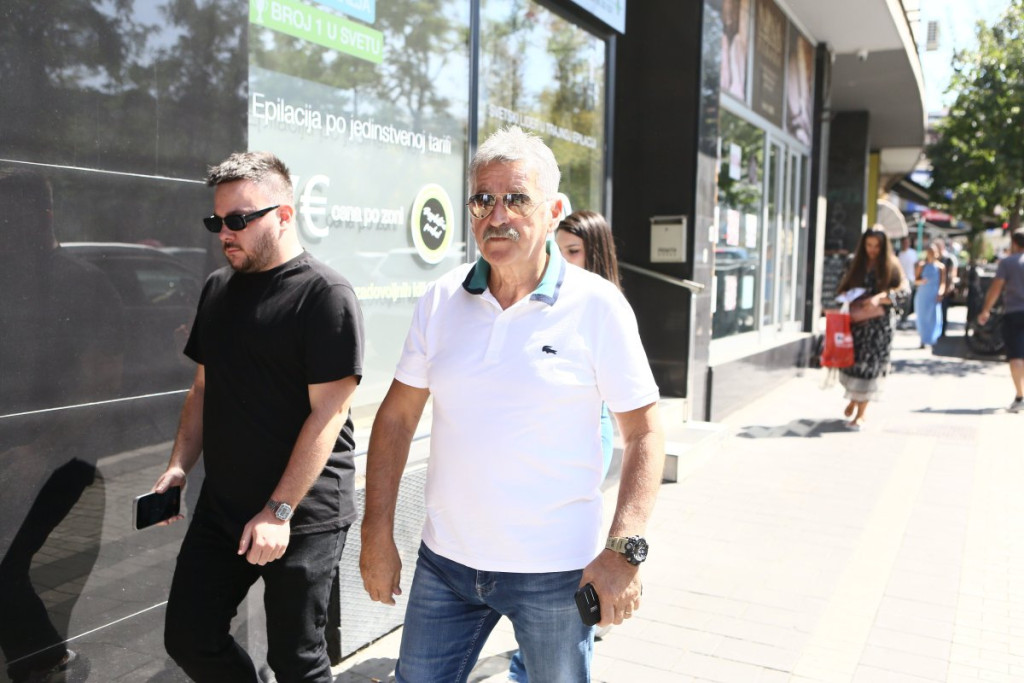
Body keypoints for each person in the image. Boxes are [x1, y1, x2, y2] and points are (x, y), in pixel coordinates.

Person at [359, 126, 665, 682]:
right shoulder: (441, 299)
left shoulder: (598, 307)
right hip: (446, 564)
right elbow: (397, 419)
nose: (497, 216)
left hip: (557, 572)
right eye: (483, 199)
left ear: (554, 211)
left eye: (517, 199)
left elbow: (644, 433)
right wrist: (375, 532)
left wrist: (624, 551)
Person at [153, 151, 364, 682]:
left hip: (303, 513)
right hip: (223, 506)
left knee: (296, 660)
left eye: (239, 220)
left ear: (284, 215)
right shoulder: (217, 288)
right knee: (190, 637)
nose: (225, 233)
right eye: (217, 221)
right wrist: (179, 465)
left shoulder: (325, 295)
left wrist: (278, 511)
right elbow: (203, 388)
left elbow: (329, 413)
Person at [506, 209, 623, 682]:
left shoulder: (602, 304)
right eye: (559, 248)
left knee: (568, 534)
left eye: (574, 250)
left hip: (592, 425)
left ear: (596, 252)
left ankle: (535, 657)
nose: (563, 258)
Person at [836, 226, 909, 429]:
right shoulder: (854, 263)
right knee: (854, 365)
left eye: (877, 246)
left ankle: (861, 413)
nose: (872, 250)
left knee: (871, 368)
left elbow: (904, 292)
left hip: (879, 328)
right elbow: (841, 286)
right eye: (869, 245)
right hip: (856, 325)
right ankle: (854, 399)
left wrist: (880, 298)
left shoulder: (891, 265)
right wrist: (847, 295)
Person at [977, 228, 1024, 412]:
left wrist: (985, 310)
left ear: (1014, 243)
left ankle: (1020, 396)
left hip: (1014, 313)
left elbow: (996, 288)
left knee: (1016, 356)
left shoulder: (1008, 263)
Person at [913, 243, 945, 349]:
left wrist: (940, 293)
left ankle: (931, 339)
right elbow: (915, 280)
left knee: (933, 318)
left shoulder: (940, 267)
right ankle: (923, 339)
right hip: (923, 295)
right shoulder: (921, 265)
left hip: (933, 294)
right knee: (922, 318)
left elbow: (942, 283)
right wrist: (921, 281)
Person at [934, 238, 958, 337]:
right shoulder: (936, 259)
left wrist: (948, 287)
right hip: (935, 287)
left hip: (944, 288)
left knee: (943, 309)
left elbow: (951, 274)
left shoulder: (948, 259)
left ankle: (942, 330)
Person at [897, 236, 919, 328]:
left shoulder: (913, 253)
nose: (905, 244)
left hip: (910, 280)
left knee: (908, 300)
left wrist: (916, 278)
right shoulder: (898, 253)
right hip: (899, 280)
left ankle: (904, 319)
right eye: (904, 242)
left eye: (907, 242)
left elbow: (916, 266)